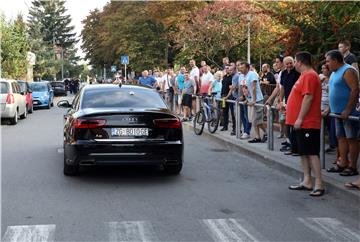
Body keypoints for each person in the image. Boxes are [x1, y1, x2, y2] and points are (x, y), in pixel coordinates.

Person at [287, 51, 324, 197]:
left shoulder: (309, 75)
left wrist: (300, 118)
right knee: (303, 152)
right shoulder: (304, 75)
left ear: (300, 62)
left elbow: (308, 98)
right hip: (300, 123)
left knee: (311, 153)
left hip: (308, 122)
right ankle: (307, 180)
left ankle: (319, 184)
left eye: (295, 61)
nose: (294, 64)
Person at [325, 50, 360, 177]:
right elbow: (333, 92)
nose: (327, 64)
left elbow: (355, 89)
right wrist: (329, 108)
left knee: (352, 138)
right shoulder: (334, 73)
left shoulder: (348, 70)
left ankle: (353, 167)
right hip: (337, 113)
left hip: (348, 113)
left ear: (335, 60)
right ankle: (343, 163)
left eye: (328, 61)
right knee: (341, 138)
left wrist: (348, 109)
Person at [239, 61, 267, 143]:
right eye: (240, 67)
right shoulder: (241, 76)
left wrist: (254, 100)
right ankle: (261, 135)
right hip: (250, 100)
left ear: (247, 68)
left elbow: (254, 87)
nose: (240, 69)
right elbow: (245, 89)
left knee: (255, 120)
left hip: (257, 100)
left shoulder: (252, 74)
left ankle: (261, 135)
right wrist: (246, 99)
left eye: (242, 67)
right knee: (254, 120)